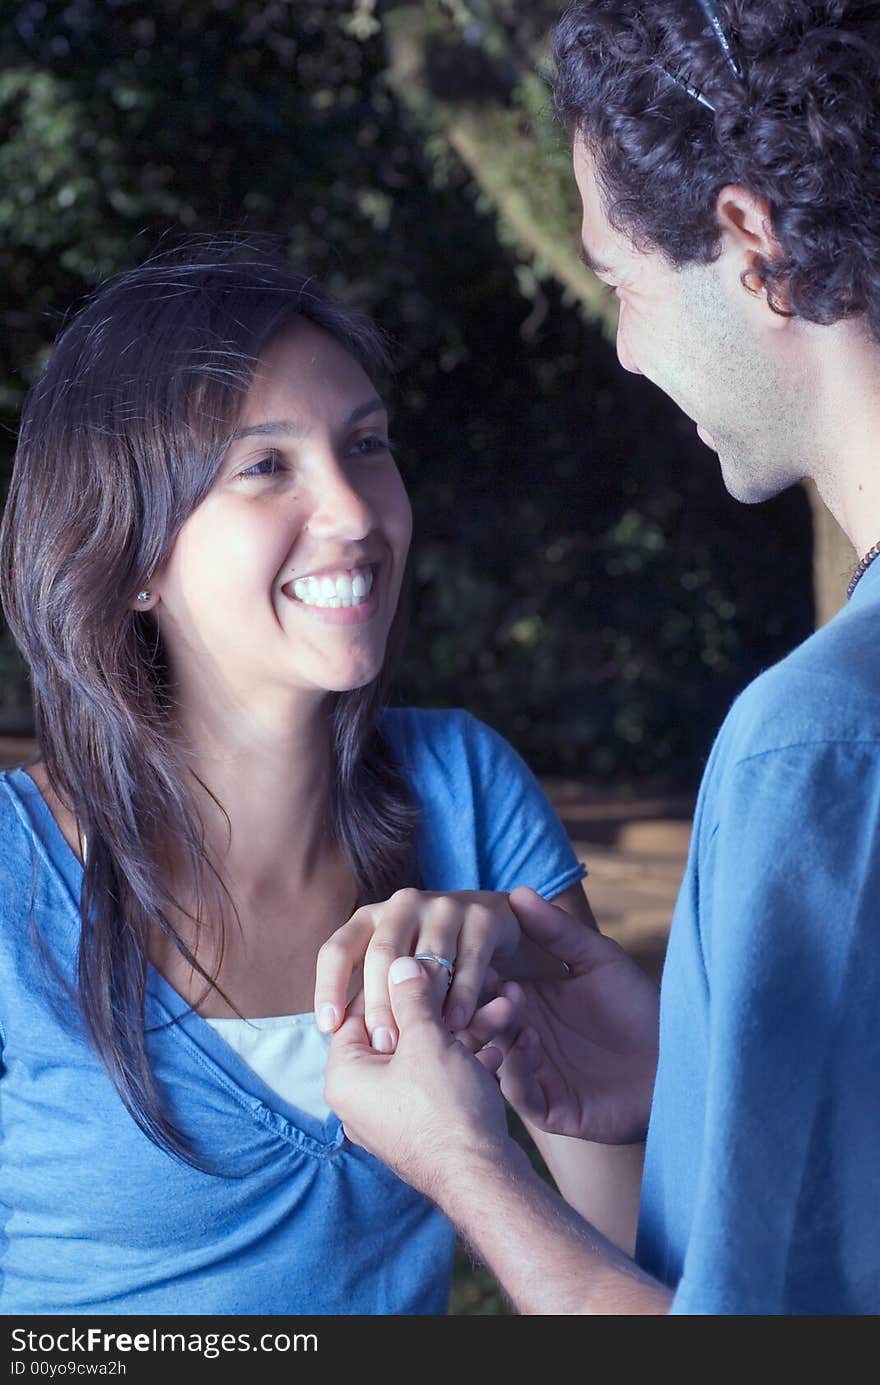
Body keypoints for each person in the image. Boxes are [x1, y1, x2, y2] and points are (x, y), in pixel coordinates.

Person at [324, 0, 880, 1314]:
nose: (625, 348)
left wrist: (470, 1170)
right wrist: (688, 1073)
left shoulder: (822, 742)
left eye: (619, 278)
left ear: (753, 247)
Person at [0, 242, 603, 1314]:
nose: (358, 512)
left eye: (365, 444)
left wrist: (546, 1018)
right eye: (265, 465)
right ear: (132, 553)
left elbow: (631, 1265)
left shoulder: (466, 791)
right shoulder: (12, 875)